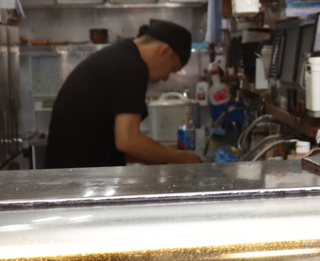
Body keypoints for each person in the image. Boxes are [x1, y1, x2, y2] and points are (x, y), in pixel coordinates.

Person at [46, 20, 203, 168]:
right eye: (173, 68)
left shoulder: (119, 57)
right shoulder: (132, 66)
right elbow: (128, 141)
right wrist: (184, 158)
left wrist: (161, 159)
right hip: (82, 181)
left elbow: (116, 146)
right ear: (165, 50)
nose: (165, 77)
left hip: (73, 174)